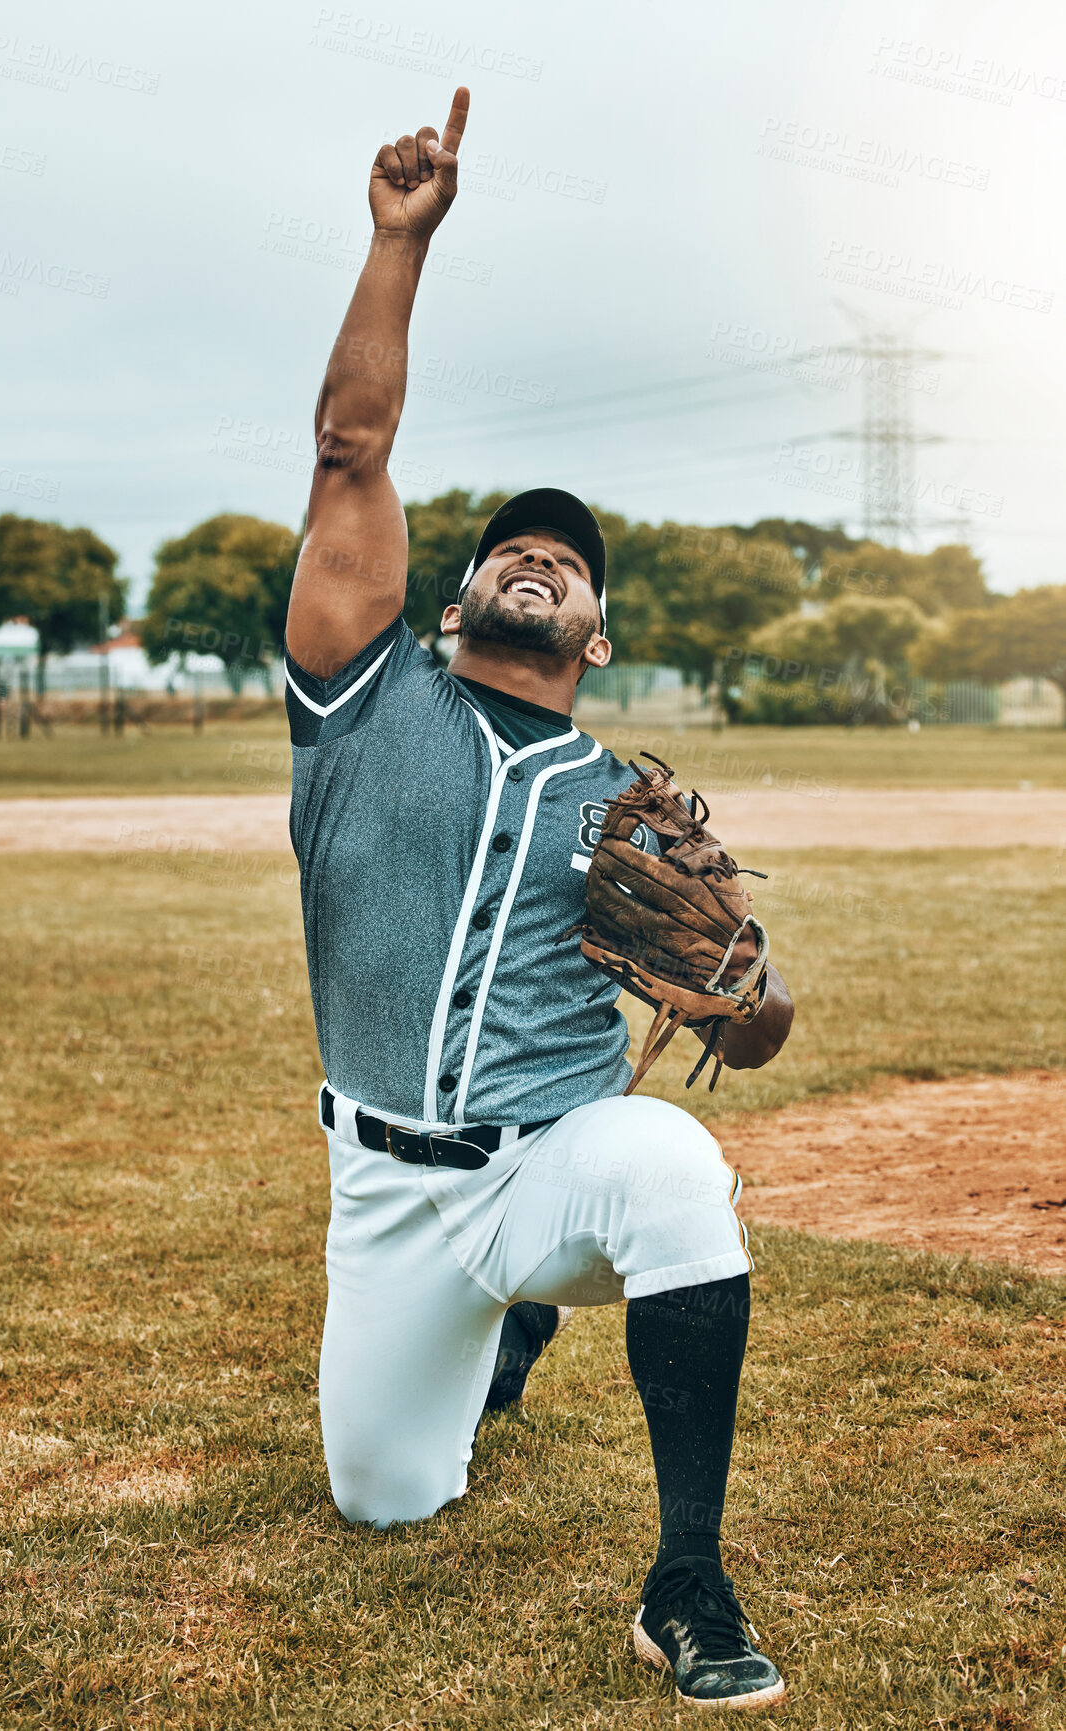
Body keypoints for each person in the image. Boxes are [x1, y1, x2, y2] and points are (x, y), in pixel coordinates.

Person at [283, 86, 795, 1710]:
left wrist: (753, 1001)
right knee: (384, 1495)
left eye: (567, 561)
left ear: (591, 632)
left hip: (550, 1160)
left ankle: (688, 1580)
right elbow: (351, 448)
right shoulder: (368, 705)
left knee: (673, 1171)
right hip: (387, 1193)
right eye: (512, 544)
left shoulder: (625, 802)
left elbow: (753, 1025)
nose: (538, 556)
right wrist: (395, 243)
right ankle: (497, 1344)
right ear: (453, 594)